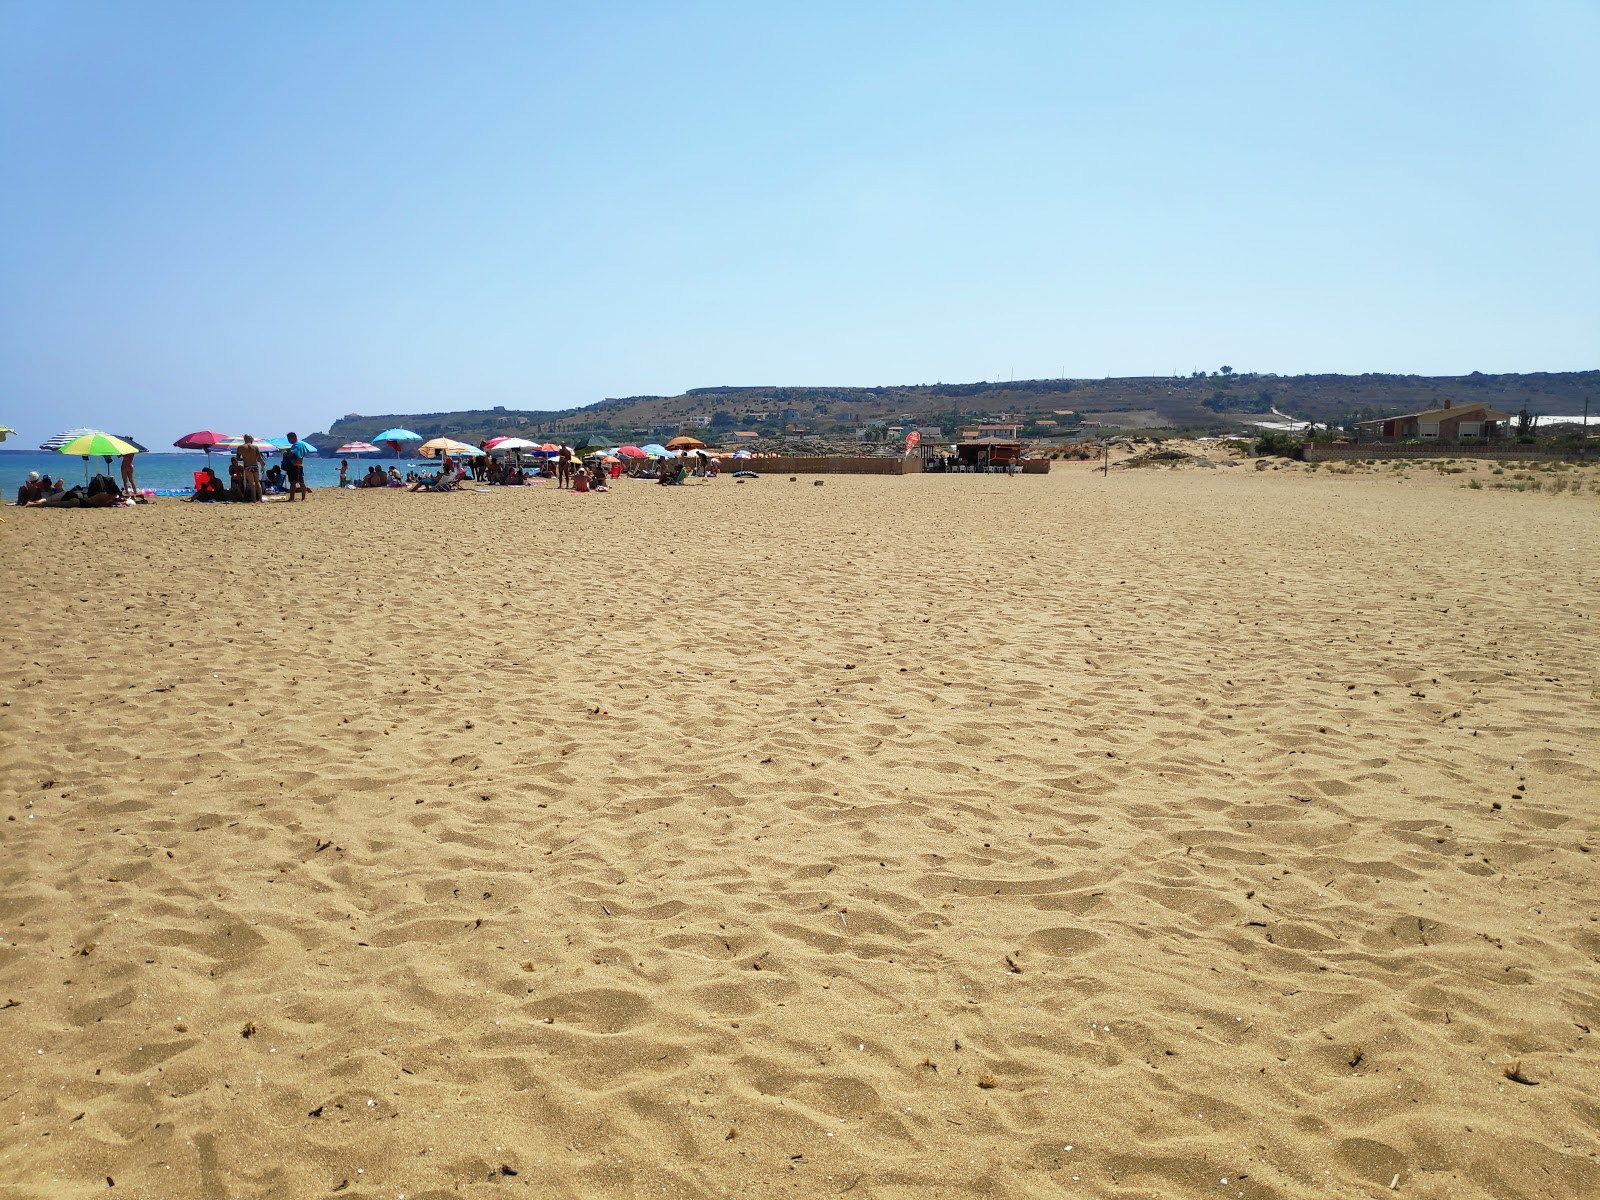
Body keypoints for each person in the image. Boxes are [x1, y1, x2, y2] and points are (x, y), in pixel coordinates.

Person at [282, 432, 310, 501]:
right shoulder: (298, 445)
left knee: (298, 482)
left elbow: (293, 453)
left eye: (289, 439)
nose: (288, 440)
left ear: (293, 437)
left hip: (296, 466)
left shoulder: (298, 445)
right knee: (294, 482)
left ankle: (298, 498)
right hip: (295, 466)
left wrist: (286, 454)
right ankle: (296, 498)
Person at [239, 434, 265, 501]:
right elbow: (259, 458)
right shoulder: (255, 447)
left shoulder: (240, 447)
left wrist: (244, 458)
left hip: (247, 466)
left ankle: (254, 498)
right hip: (255, 465)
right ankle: (261, 498)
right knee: (257, 482)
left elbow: (238, 458)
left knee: (251, 483)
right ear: (250, 439)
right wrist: (262, 466)